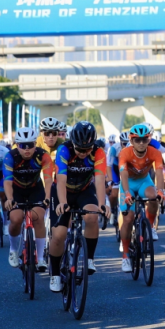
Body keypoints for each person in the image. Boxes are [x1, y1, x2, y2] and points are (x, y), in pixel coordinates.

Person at [48, 121, 108, 291]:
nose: (83, 153)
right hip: (62, 191)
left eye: (87, 149)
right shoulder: (64, 150)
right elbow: (61, 180)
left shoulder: (99, 152)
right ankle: (55, 274)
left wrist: (102, 204)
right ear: (72, 143)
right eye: (79, 149)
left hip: (84, 190)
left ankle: (89, 259)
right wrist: (63, 202)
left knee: (92, 216)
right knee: (59, 235)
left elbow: (100, 180)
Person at [3, 126, 54, 271]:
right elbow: (7, 181)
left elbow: (48, 180)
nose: (27, 149)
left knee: (38, 217)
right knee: (16, 218)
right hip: (16, 190)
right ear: (17, 145)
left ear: (35, 144)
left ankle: (41, 257)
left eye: (30, 145)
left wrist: (48, 197)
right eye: (22, 146)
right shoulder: (10, 157)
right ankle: (13, 250)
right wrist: (9, 198)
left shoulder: (43, 155)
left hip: (35, 189)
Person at [119, 124, 165, 273]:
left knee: (154, 197)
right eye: (137, 140)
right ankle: (126, 255)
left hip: (144, 181)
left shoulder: (155, 152)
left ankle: (150, 226)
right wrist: (127, 192)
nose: (141, 143)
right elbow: (123, 174)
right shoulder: (125, 153)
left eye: (144, 140)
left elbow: (159, 172)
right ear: (131, 141)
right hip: (128, 183)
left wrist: (161, 191)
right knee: (128, 219)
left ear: (149, 140)